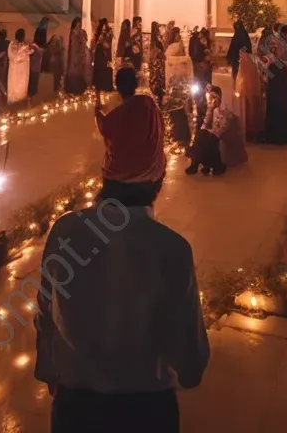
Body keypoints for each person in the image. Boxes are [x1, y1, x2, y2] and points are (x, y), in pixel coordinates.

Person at [35, 174, 209, 432]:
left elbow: (45, 313)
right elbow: (189, 351)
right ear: (157, 180)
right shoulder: (172, 247)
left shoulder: (65, 230)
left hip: (75, 408)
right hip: (147, 410)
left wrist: (49, 370)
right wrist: (188, 372)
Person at [95, 65, 165, 186]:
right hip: (153, 172)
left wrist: (98, 112)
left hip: (122, 176)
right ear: (136, 85)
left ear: (117, 87)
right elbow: (161, 127)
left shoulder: (118, 115)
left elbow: (105, 129)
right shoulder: (149, 104)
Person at [257, 25, 287, 144]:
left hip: (276, 73)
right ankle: (285, 132)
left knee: (276, 101)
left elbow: (268, 58)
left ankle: (275, 133)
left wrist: (268, 64)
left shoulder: (276, 42)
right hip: (282, 74)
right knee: (284, 101)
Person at [235, 47, 265, 141]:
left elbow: (241, 80)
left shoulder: (245, 61)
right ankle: (255, 131)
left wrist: (239, 89)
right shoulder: (252, 59)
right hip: (254, 91)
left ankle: (250, 132)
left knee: (248, 110)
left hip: (247, 91)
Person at [7, 28, 37, 105]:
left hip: (23, 74)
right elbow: (15, 57)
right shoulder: (13, 45)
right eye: (23, 36)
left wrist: (30, 48)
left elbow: (29, 52)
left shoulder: (22, 44)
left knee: (22, 93)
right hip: (16, 74)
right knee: (15, 94)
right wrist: (24, 49)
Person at [64, 16, 89, 96]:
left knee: (80, 72)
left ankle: (79, 90)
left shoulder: (81, 32)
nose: (78, 25)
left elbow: (84, 40)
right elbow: (72, 46)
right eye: (77, 24)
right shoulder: (73, 33)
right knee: (73, 71)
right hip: (74, 55)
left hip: (80, 55)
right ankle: (72, 90)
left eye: (80, 24)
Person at [93, 19, 114, 93]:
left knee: (106, 68)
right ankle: (99, 85)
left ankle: (105, 86)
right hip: (99, 52)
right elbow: (96, 41)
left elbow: (108, 43)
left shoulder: (109, 31)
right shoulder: (98, 32)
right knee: (99, 68)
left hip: (106, 52)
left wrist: (103, 42)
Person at [148, 21, 166, 104]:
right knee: (158, 81)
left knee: (156, 80)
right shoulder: (157, 39)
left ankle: (157, 98)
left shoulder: (154, 39)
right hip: (158, 64)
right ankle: (158, 98)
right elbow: (159, 51)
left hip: (156, 64)